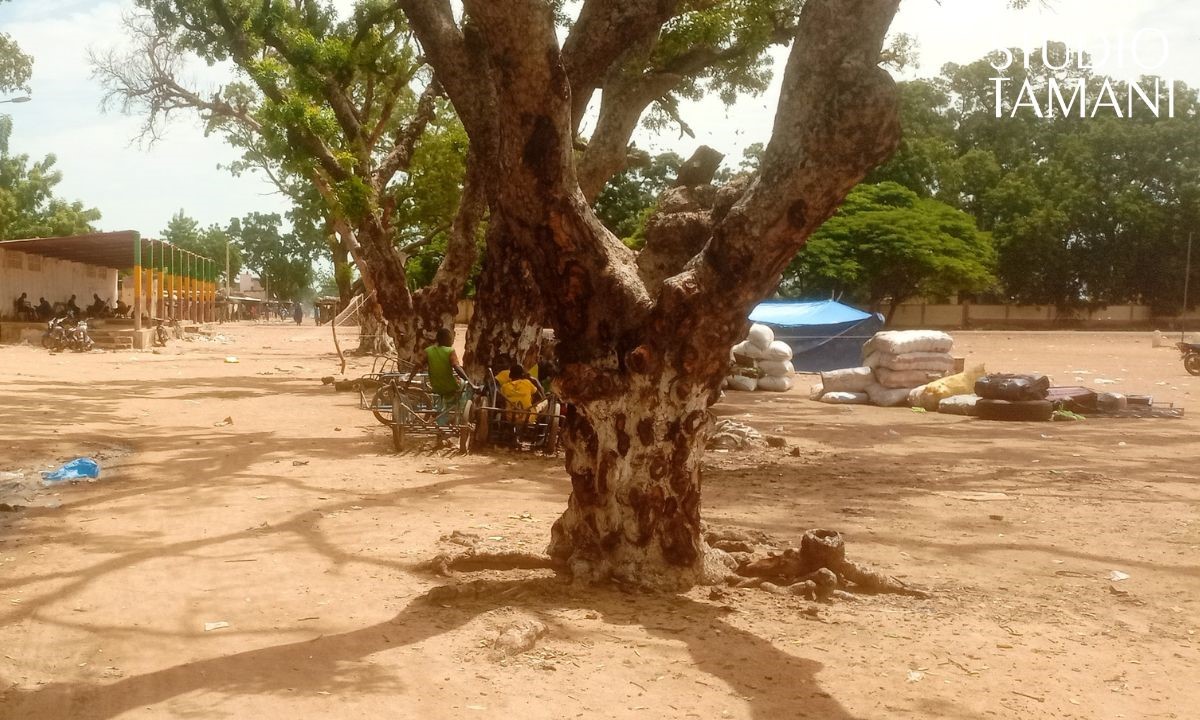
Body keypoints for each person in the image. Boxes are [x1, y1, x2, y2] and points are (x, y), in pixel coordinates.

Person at [406, 327, 476, 425]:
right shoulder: (450, 351)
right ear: (448, 340)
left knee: (443, 393)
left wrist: (409, 381)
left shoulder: (428, 351)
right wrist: (471, 382)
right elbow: (457, 368)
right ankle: (459, 416)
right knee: (465, 385)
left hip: (435, 386)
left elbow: (417, 366)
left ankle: (443, 413)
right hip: (451, 386)